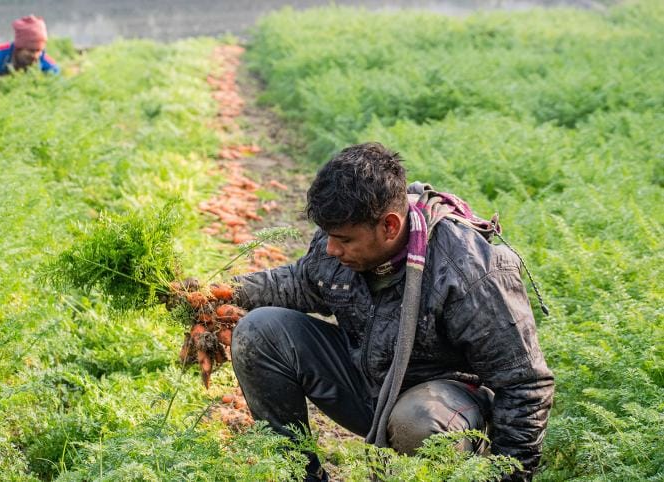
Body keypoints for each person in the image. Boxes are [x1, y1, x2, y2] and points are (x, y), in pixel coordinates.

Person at [181, 142, 554, 481]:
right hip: (371, 386)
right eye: (328, 236)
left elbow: (525, 384)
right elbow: (303, 280)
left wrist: (508, 475)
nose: (330, 249)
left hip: (444, 410)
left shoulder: (469, 271)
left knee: (417, 422)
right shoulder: (342, 246)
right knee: (259, 330)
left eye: (343, 240)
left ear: (390, 226)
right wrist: (226, 292)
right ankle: (296, 474)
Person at [0, 15, 59, 92]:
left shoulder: (47, 64)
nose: (35, 55)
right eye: (30, 51)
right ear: (19, 48)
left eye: (38, 51)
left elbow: (56, 87)